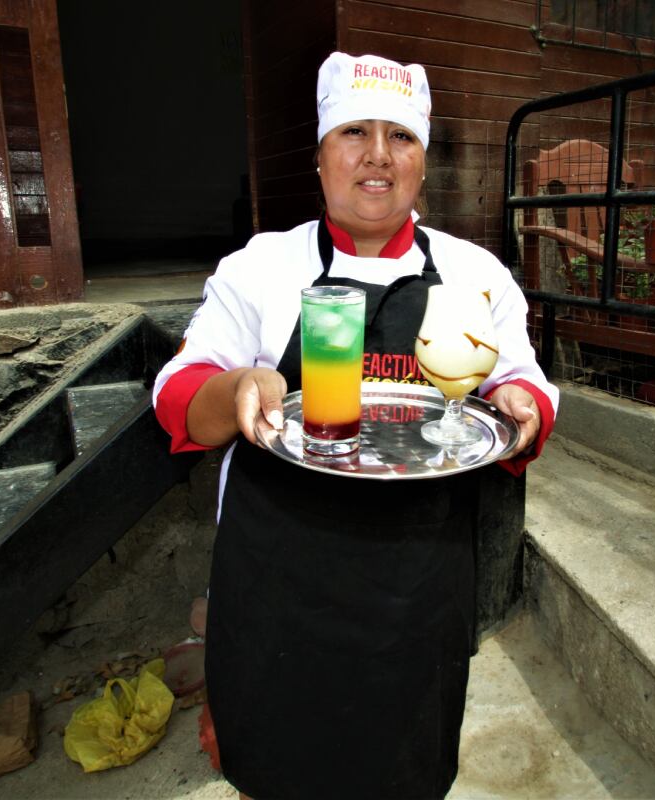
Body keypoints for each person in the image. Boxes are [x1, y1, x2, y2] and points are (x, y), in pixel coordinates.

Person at [153, 51, 559, 800]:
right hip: (278, 583)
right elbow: (176, 393)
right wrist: (239, 385)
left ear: (423, 160)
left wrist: (522, 407)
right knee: (276, 765)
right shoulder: (262, 268)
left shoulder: (476, 276)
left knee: (401, 769)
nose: (377, 155)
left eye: (400, 136)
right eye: (354, 133)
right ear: (319, 157)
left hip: (418, 586)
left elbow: (525, 384)